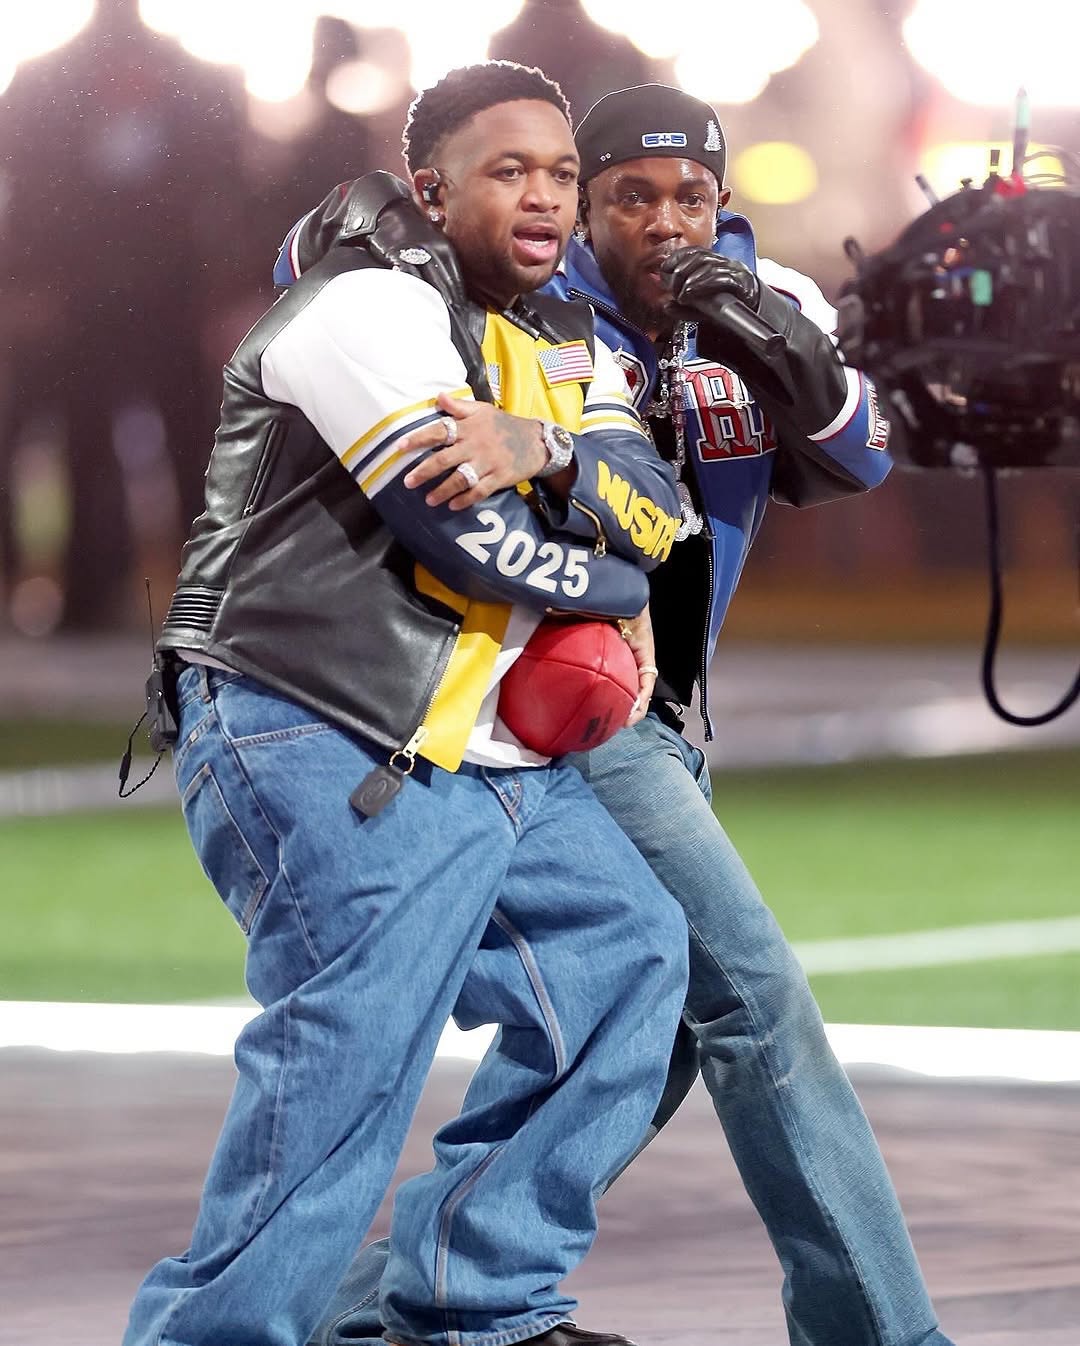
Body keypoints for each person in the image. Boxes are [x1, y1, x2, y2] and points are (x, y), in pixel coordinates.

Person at [298, 86, 956, 1346]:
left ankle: (365, 1301)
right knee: (755, 997)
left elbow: (864, 455)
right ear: (584, 204)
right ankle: (882, 1330)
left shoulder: (774, 301)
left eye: (690, 198)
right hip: (551, 703)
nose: (663, 223)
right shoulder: (512, 305)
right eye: (629, 198)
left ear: (724, 202)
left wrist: (765, 333)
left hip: (653, 709)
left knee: (643, 1028)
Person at [122, 62, 693, 1346]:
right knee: (350, 1062)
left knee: (631, 959)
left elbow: (663, 503)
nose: (547, 197)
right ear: (433, 190)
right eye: (510, 171)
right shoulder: (361, 307)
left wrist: (547, 449)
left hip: (476, 748)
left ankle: (472, 1299)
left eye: (561, 172)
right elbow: (471, 546)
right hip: (318, 724)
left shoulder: (563, 339)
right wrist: (608, 565)